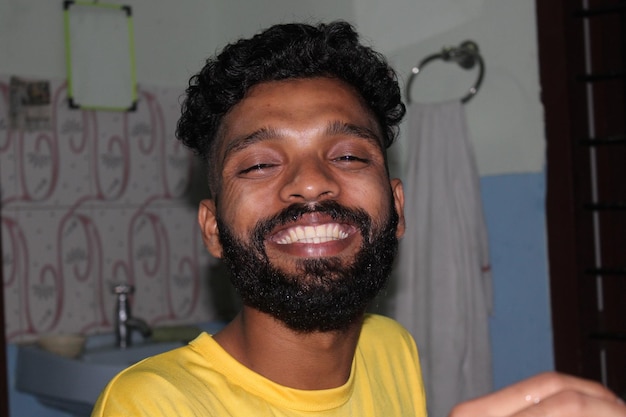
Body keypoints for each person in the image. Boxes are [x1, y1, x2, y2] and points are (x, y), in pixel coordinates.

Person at [91, 21, 626, 417]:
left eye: (348, 156)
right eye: (258, 164)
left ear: (397, 208)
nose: (310, 181)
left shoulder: (391, 348)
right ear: (212, 229)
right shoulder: (153, 405)